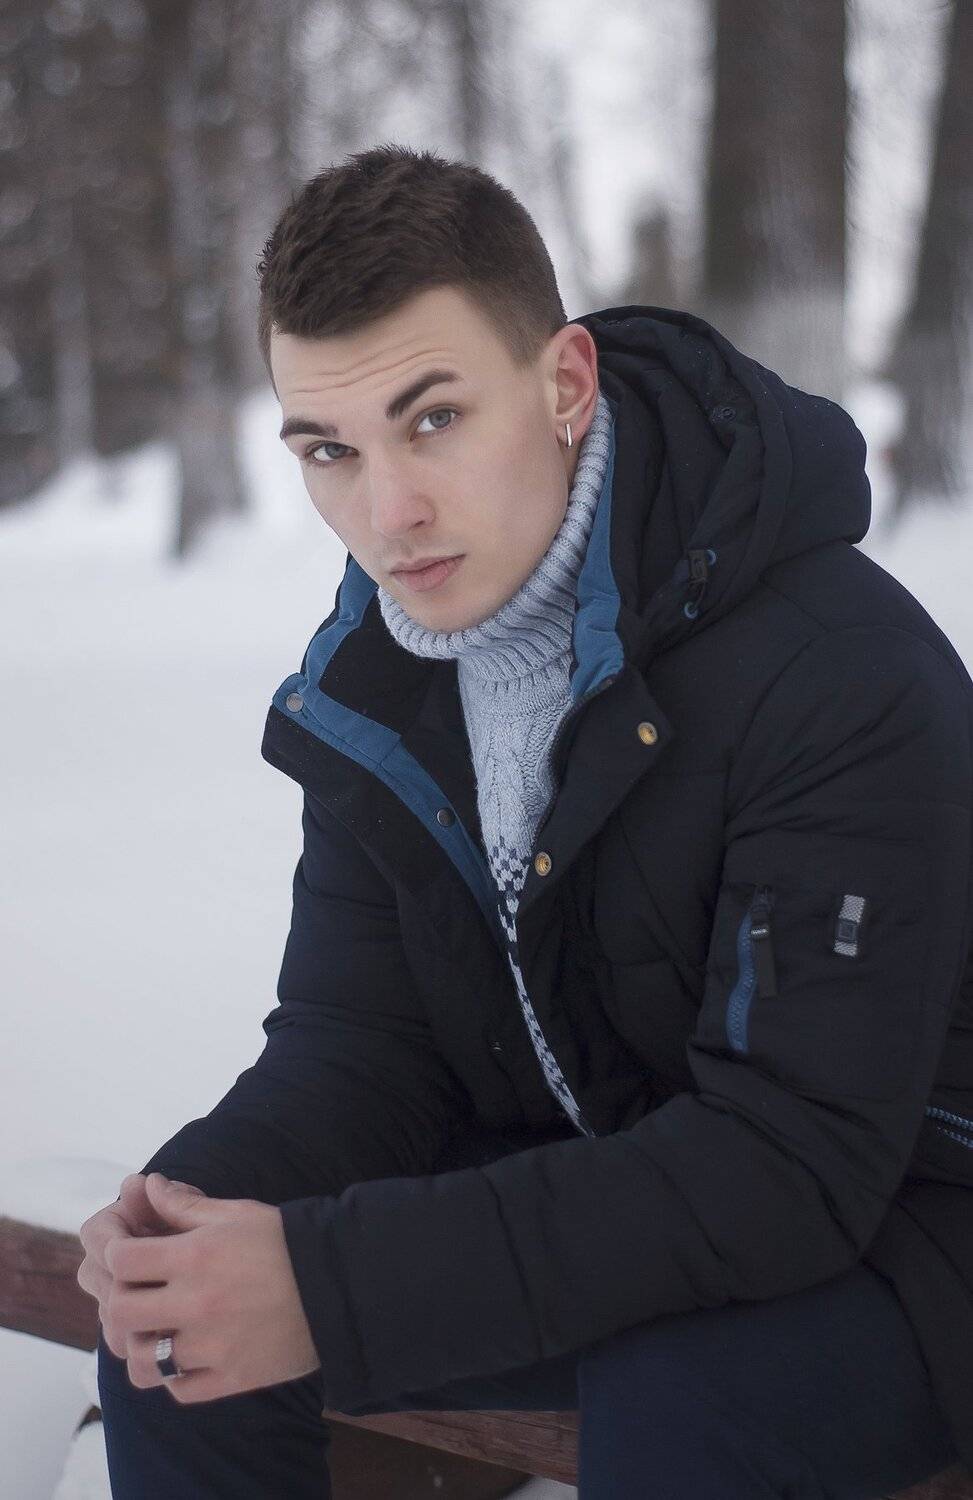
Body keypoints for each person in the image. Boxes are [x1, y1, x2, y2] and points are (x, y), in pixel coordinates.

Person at [79, 143, 973, 1500]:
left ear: (563, 385)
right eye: (330, 450)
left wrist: (330, 1282)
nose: (388, 513)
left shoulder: (836, 672)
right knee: (178, 1342)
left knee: (680, 1396)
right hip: (616, 1177)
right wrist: (193, 1216)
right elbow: (363, 1042)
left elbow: (788, 1161)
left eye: (433, 418)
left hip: (907, 1215)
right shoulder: (386, 675)